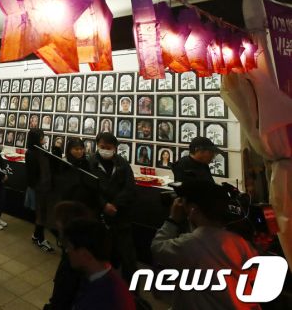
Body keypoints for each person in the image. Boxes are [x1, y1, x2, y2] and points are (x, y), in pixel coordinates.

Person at [151, 181, 261, 310]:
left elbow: (157, 248)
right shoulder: (240, 242)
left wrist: (172, 220)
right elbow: (253, 274)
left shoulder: (190, 244)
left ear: (193, 209)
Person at [89, 133, 137, 284]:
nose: (105, 150)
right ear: (97, 145)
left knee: (128, 255)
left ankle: (131, 290)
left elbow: (130, 187)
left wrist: (115, 205)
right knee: (100, 253)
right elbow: (89, 187)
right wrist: (103, 205)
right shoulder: (90, 162)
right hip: (99, 216)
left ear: (115, 148)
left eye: (108, 148)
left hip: (121, 215)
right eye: (102, 147)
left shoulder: (122, 163)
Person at [63, 219, 136, 310]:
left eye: (69, 247)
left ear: (84, 255)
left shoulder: (99, 300)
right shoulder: (109, 280)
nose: (67, 251)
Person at [44, 201, 96, 310]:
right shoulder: (87, 250)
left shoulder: (72, 262)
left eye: (58, 223)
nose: (56, 225)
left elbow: (61, 300)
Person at [26, 129, 55, 252]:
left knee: (42, 214)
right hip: (38, 189)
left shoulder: (40, 150)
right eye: (42, 137)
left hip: (44, 187)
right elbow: (33, 174)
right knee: (41, 215)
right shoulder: (31, 153)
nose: (44, 139)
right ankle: (40, 240)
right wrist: (39, 186)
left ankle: (36, 235)